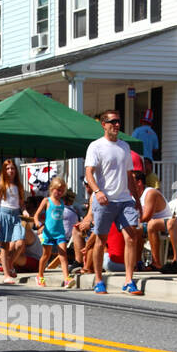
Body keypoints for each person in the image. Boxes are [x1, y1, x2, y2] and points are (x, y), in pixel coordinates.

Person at [82, 109, 144, 295]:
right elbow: (88, 173)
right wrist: (98, 192)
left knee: (131, 237)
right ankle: (99, 280)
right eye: (113, 122)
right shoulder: (96, 146)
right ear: (104, 124)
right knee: (100, 240)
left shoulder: (124, 146)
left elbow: (129, 175)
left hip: (125, 199)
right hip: (104, 200)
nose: (117, 125)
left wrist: (137, 199)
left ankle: (128, 280)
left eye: (118, 122)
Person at [34, 177, 75, 287]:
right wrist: (38, 222)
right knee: (46, 255)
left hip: (60, 232)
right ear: (52, 189)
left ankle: (66, 278)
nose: (59, 192)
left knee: (63, 254)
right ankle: (40, 275)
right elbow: (36, 215)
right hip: (48, 233)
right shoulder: (47, 201)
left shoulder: (62, 202)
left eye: (62, 190)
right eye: (57, 190)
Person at [0, 159, 26, 284]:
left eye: (12, 168)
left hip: (16, 215)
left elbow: (21, 204)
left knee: (21, 242)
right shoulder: (1, 185)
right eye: (8, 168)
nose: (11, 171)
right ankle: (6, 275)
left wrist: (25, 211)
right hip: (4, 214)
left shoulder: (18, 186)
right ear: (4, 171)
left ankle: (10, 264)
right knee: (5, 246)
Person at [132, 108, 159, 175]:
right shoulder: (153, 133)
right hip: (149, 161)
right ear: (150, 123)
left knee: (139, 179)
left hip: (138, 159)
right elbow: (155, 149)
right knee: (148, 179)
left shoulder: (137, 131)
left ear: (143, 122)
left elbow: (132, 143)